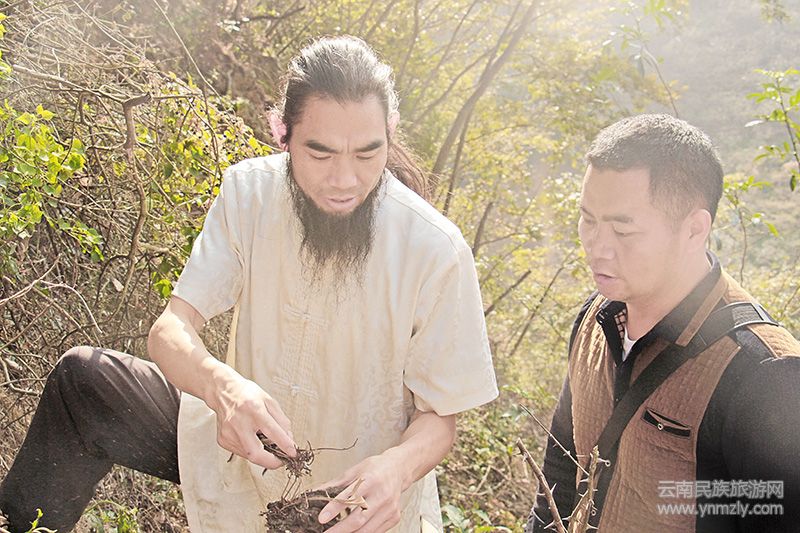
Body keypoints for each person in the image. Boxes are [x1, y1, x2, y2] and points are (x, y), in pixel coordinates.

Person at [0, 36, 498, 533]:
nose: (345, 180)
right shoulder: (250, 193)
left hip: (352, 504)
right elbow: (172, 328)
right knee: (84, 381)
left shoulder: (435, 249)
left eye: (367, 154)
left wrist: (398, 469)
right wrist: (223, 390)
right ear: (284, 135)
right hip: (235, 450)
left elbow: (440, 419)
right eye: (320, 153)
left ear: (389, 135)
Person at [526, 114, 800, 532]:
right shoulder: (596, 320)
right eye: (589, 220)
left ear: (694, 229)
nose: (598, 247)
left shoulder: (764, 375)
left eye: (623, 230)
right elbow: (562, 471)